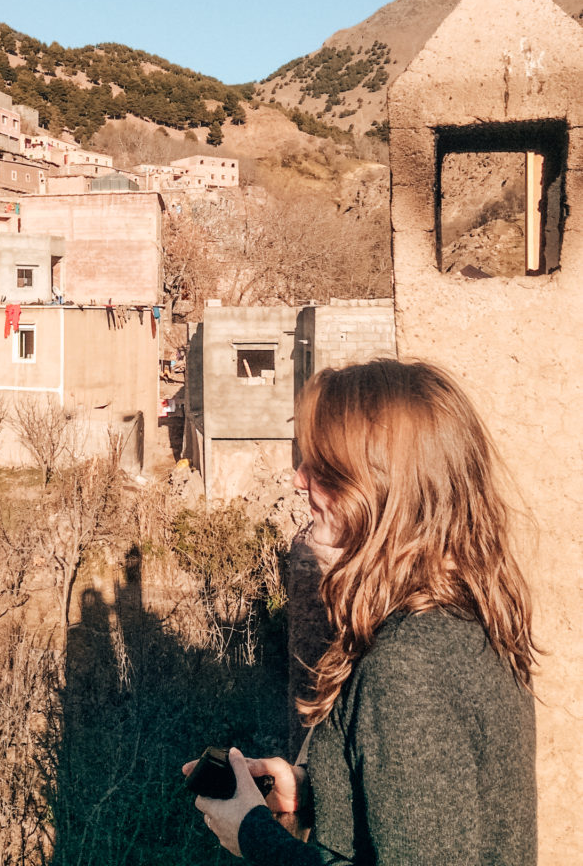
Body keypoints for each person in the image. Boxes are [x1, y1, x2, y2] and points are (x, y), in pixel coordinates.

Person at [185, 359, 538, 865]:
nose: (298, 478)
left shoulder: (409, 665)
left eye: (322, 468)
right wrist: (311, 790)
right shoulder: (468, 622)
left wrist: (254, 835)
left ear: (381, 487)